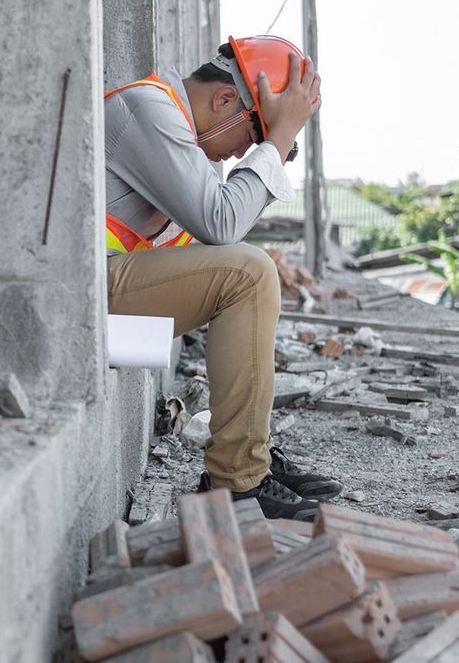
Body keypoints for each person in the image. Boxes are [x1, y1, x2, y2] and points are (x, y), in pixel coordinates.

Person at [104, 35, 341, 521]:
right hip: (84, 291)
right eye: (251, 137)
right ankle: (237, 481)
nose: (240, 155)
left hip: (108, 288)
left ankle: (247, 459)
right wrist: (276, 141)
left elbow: (215, 232)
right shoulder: (149, 110)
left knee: (249, 271)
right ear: (226, 100)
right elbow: (222, 222)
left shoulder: (180, 133)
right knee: (250, 273)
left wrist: (274, 139)